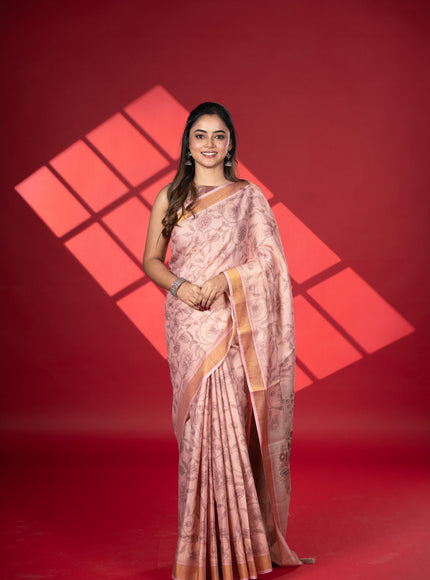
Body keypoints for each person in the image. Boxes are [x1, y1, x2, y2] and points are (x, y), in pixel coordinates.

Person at [143, 102, 313, 579]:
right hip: (188, 324)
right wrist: (182, 287)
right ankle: (200, 552)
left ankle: (243, 550)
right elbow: (152, 260)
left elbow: (269, 260)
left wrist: (226, 280)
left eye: (219, 136)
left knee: (232, 431)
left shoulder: (248, 198)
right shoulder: (169, 198)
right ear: (187, 143)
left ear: (231, 143)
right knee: (199, 433)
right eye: (200, 135)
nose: (210, 144)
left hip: (232, 324)